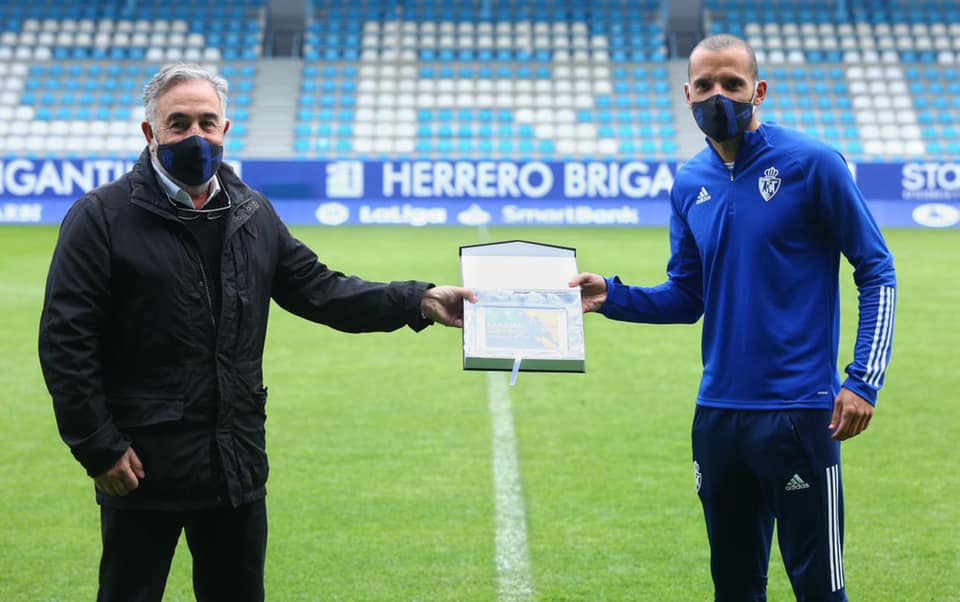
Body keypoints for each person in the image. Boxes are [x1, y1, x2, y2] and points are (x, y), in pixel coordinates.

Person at [37, 62, 476, 602]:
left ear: (225, 129)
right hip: (142, 464)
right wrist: (98, 447)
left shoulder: (251, 212)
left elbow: (321, 290)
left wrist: (421, 300)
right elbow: (65, 341)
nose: (195, 136)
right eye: (178, 124)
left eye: (207, 121)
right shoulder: (100, 217)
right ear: (151, 134)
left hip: (235, 463)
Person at [569, 34, 896, 601]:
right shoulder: (689, 181)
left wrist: (862, 379)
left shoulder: (812, 164)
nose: (717, 95)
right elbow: (687, 296)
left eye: (732, 84)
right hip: (718, 417)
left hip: (798, 414)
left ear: (758, 91)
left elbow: (877, 269)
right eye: (705, 85)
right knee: (735, 587)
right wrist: (611, 297)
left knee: (820, 588)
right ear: (687, 92)